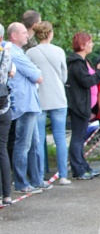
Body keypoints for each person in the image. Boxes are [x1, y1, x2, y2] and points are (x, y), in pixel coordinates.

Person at [26, 21, 70, 185]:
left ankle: (40, 175)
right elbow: (64, 76)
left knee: (39, 139)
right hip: (58, 97)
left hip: (39, 99)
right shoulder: (59, 51)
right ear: (50, 33)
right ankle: (63, 175)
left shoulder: (31, 53)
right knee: (60, 138)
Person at [7, 22, 48, 193]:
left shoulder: (19, 53)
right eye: (24, 32)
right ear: (14, 35)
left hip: (30, 104)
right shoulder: (15, 54)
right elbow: (37, 76)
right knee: (23, 145)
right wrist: (36, 72)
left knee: (33, 143)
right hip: (24, 105)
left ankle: (36, 179)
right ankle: (21, 182)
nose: (27, 35)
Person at [66, 32, 100, 180]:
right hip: (79, 105)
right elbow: (87, 81)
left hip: (87, 105)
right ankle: (78, 169)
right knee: (78, 138)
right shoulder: (76, 63)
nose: (92, 44)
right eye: (90, 42)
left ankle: (84, 166)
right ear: (82, 45)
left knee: (80, 138)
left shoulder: (85, 61)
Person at [0, 25, 14, 204]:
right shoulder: (7, 52)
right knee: (1, 150)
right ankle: (7, 194)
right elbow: (13, 72)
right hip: (4, 106)